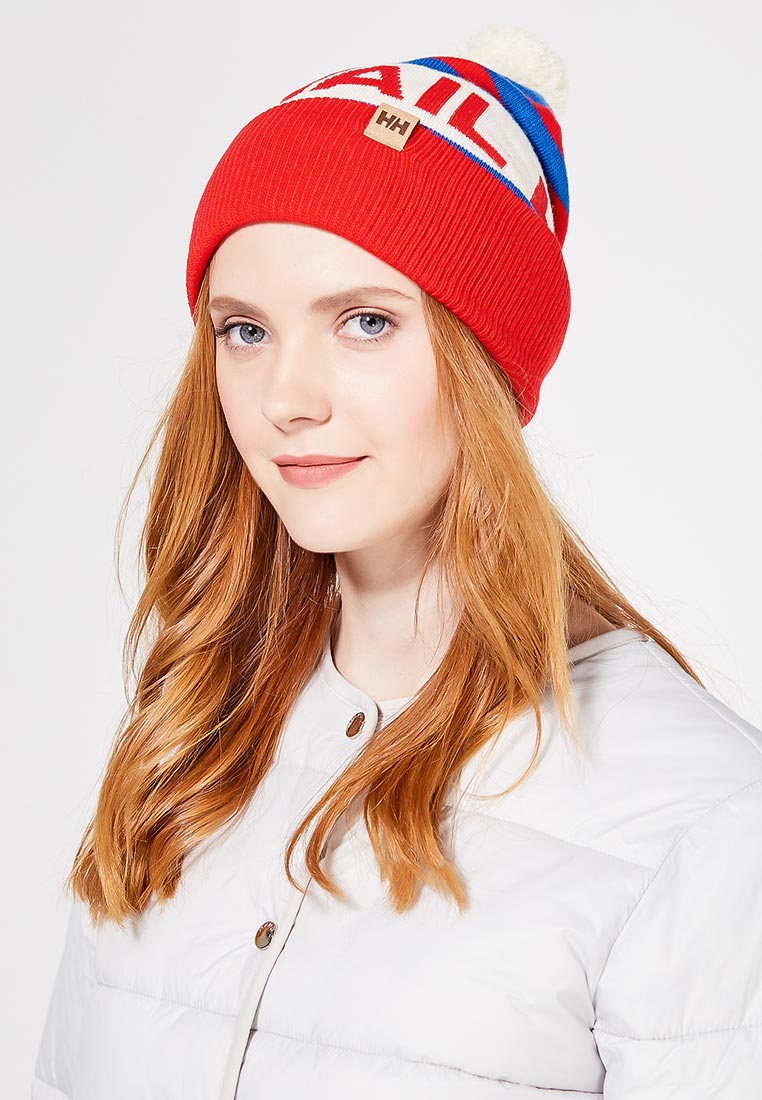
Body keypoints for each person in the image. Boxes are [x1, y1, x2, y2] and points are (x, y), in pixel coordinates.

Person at [31, 25, 762, 1100]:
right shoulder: (190, 733)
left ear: (485, 362)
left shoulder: (699, 813)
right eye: (245, 331)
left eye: (366, 321)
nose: (288, 398)